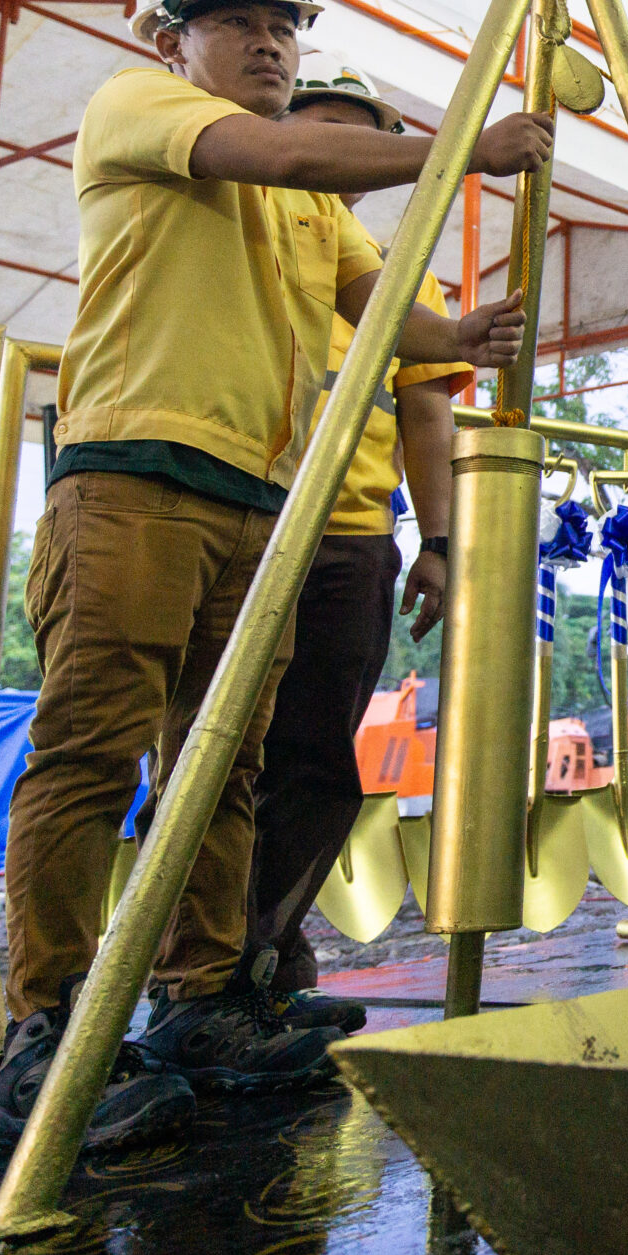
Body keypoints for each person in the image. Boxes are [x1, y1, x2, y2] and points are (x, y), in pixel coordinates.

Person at [0, 0, 548, 1150]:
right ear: (167, 37)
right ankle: (41, 1031)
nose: (269, 44)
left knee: (225, 764)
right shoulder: (138, 105)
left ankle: (202, 1002)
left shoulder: (310, 216)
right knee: (92, 751)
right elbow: (289, 150)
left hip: (263, 503)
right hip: (132, 472)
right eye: (237, 22)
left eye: (284, 25)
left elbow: (394, 318)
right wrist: (469, 149)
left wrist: (472, 335)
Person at [241, 54, 469, 1035]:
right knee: (211, 758)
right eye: (313, 125)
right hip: (243, 528)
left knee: (319, 761)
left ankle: (267, 954)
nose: (334, 149)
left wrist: (442, 543)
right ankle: (192, 971)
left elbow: (426, 416)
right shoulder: (235, 236)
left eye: (357, 134)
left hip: (350, 545)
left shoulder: (395, 280)